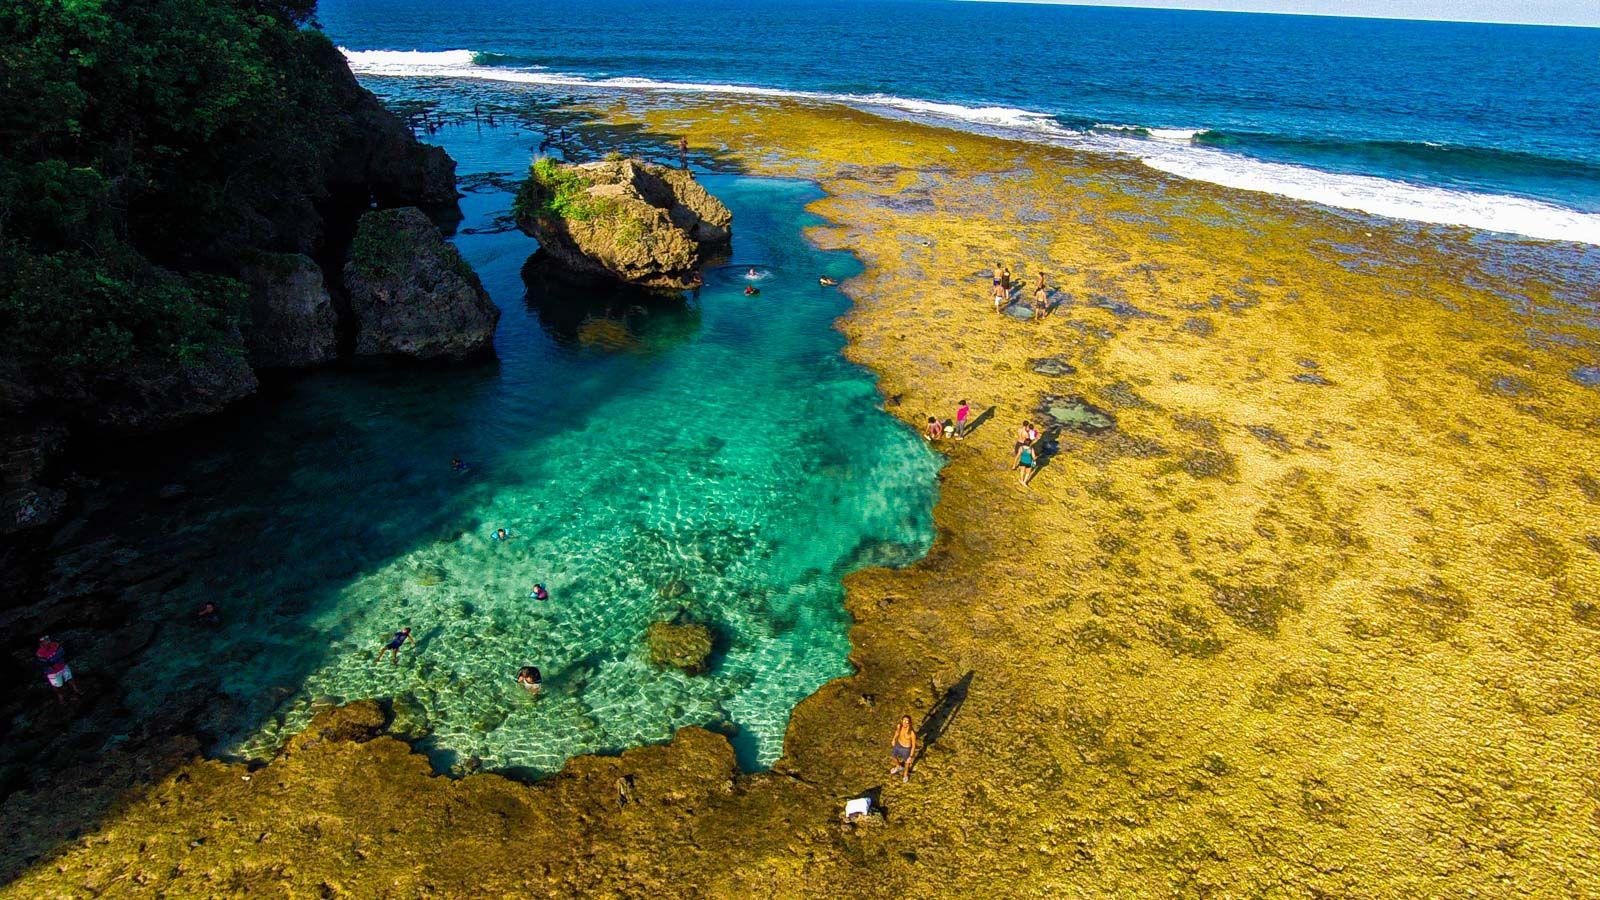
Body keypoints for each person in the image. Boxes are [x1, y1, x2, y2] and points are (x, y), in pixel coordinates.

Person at [35, 636, 81, 704]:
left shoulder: (55, 644)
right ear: (41, 643)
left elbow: (62, 651)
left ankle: (76, 690)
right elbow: (44, 662)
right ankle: (61, 697)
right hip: (52, 672)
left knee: (70, 678)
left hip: (63, 666)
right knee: (57, 686)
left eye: (48, 639)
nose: (48, 641)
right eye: (45, 640)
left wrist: (52, 659)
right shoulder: (39, 652)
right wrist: (54, 658)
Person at [889, 714, 917, 782]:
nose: (905, 723)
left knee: (907, 763)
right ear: (902, 720)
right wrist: (893, 739)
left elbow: (913, 745)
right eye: (904, 720)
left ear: (909, 723)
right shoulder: (899, 726)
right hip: (898, 744)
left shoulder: (912, 733)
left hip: (906, 749)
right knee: (893, 756)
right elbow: (897, 732)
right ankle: (898, 767)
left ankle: (905, 774)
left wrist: (910, 756)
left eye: (907, 721)